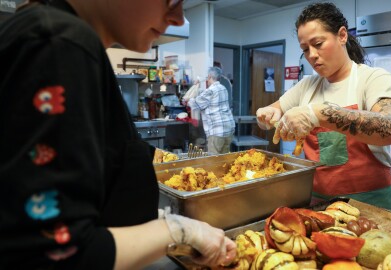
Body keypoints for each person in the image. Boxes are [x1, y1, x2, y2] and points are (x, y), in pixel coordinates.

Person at [0, 0, 236, 269]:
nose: (179, 18)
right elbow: (51, 254)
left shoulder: (72, 45)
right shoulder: (58, 45)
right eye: (172, 0)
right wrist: (177, 232)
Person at [256, 2, 391, 212]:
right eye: (305, 49)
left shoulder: (372, 78)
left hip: (372, 205)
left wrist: (319, 113)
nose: (312, 55)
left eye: (318, 44)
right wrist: (266, 116)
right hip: (320, 205)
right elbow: (273, 112)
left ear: (342, 35)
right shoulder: (307, 85)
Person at [186, 67, 235, 154]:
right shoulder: (223, 88)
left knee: (213, 160)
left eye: (207, 77)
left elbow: (194, 104)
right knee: (224, 159)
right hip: (229, 129)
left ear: (209, 77)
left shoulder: (210, 91)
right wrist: (199, 82)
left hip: (217, 132)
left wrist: (186, 99)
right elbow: (206, 99)